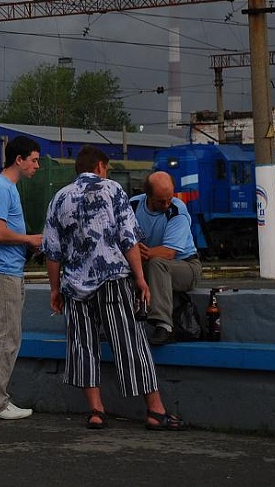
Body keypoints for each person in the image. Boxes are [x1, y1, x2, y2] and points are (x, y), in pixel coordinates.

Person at [42, 145, 187, 431]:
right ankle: (155, 412)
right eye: (105, 168)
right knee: (131, 343)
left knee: (82, 346)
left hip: (74, 285)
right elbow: (128, 239)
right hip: (112, 280)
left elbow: (52, 251)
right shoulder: (113, 190)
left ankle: (96, 412)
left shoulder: (59, 198)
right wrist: (140, 279)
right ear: (99, 166)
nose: (106, 172)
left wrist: (54, 289)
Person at [0, 135, 44, 421]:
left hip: (7, 272)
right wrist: (30, 239)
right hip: (3, 273)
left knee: (8, 338)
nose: (37, 166)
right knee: (5, 339)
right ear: (19, 160)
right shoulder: (3, 190)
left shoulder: (5, 187)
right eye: (34, 160)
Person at [130, 171, 202, 346]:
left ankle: (164, 325)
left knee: (157, 263)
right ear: (148, 195)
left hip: (186, 266)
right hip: (149, 264)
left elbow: (169, 253)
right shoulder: (132, 206)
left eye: (170, 198)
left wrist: (134, 250)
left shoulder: (177, 209)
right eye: (161, 201)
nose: (167, 204)